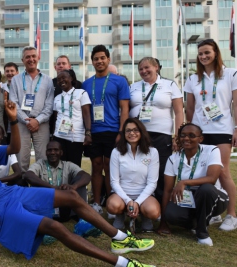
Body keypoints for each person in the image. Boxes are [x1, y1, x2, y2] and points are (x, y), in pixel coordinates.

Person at [0, 91, 155, 267]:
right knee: (57, 228)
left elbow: (14, 148)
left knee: (71, 196)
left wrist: (14, 119)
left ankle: (119, 238)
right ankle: (123, 264)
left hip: (12, 194)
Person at [184, 39, 237, 231]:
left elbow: (236, 104)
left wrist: (236, 128)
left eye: (207, 52)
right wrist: (187, 131)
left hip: (222, 129)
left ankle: (231, 215)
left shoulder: (231, 74)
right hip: (200, 132)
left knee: (222, 172)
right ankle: (214, 212)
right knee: (205, 174)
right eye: (200, 54)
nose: (204, 56)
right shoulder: (192, 79)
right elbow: (189, 107)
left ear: (216, 53)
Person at [157, 123, 229, 246]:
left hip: (214, 196)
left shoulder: (211, 150)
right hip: (189, 198)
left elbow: (211, 179)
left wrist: (184, 182)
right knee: (171, 214)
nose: (186, 138)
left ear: (200, 139)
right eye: (183, 135)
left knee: (205, 189)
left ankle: (202, 233)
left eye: (192, 135)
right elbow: (168, 191)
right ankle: (199, 220)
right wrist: (163, 222)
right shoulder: (173, 159)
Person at [82, 45, 130, 215]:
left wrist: (121, 132)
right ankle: (96, 202)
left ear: (108, 60)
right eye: (96, 59)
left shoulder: (119, 81)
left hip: (112, 131)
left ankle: (111, 201)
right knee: (96, 166)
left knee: (110, 166)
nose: (99, 61)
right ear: (92, 62)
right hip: (94, 131)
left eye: (102, 58)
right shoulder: (87, 84)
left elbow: (124, 109)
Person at [129, 57, 184, 205]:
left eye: (147, 67)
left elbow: (179, 112)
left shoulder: (170, 85)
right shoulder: (133, 87)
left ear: (156, 67)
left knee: (161, 170)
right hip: (137, 135)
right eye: (140, 69)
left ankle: (160, 204)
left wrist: (177, 137)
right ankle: (138, 203)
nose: (144, 71)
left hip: (161, 135)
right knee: (139, 169)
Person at [107, 118, 161, 231]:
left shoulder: (153, 152)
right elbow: (114, 182)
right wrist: (128, 201)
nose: (132, 133)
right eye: (128, 130)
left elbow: (152, 183)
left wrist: (137, 202)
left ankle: (144, 216)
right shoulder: (116, 152)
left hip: (145, 195)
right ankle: (120, 216)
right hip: (121, 195)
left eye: (136, 130)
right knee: (113, 205)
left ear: (142, 132)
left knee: (154, 212)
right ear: (124, 134)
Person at [9, 46, 54, 172]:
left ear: (38, 58)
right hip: (22, 123)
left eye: (33, 56)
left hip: (42, 123)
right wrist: (27, 120)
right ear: (22, 60)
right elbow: (13, 103)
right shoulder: (16, 80)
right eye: (27, 57)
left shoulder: (48, 80)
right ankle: (23, 189)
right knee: (21, 158)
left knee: (43, 158)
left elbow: (49, 105)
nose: (31, 59)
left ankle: (40, 189)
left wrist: (37, 120)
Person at [24, 140, 91, 222]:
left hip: (63, 206)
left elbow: (86, 176)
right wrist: (52, 188)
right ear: (46, 153)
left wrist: (74, 186)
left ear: (61, 152)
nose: (52, 152)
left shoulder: (68, 165)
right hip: (44, 206)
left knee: (80, 180)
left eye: (56, 150)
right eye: (49, 150)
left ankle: (81, 218)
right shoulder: (40, 164)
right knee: (31, 181)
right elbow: (28, 175)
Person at [52, 69, 91, 167]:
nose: (61, 80)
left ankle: (75, 183)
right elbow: (56, 117)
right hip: (59, 136)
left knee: (74, 166)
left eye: (64, 78)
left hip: (76, 136)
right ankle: (62, 183)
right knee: (60, 166)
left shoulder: (81, 93)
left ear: (71, 78)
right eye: (59, 79)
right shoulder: (57, 98)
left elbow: (86, 114)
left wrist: (88, 133)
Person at [50, 56, 84, 137]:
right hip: (55, 127)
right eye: (58, 64)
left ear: (69, 66)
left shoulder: (78, 84)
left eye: (64, 63)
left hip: (75, 130)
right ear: (55, 67)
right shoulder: (50, 83)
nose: (61, 66)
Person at [1, 62, 20, 144]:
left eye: (12, 71)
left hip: (19, 124)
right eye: (7, 71)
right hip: (4, 126)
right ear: (4, 73)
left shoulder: (22, 87)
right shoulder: (0, 87)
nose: (10, 73)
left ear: (17, 72)